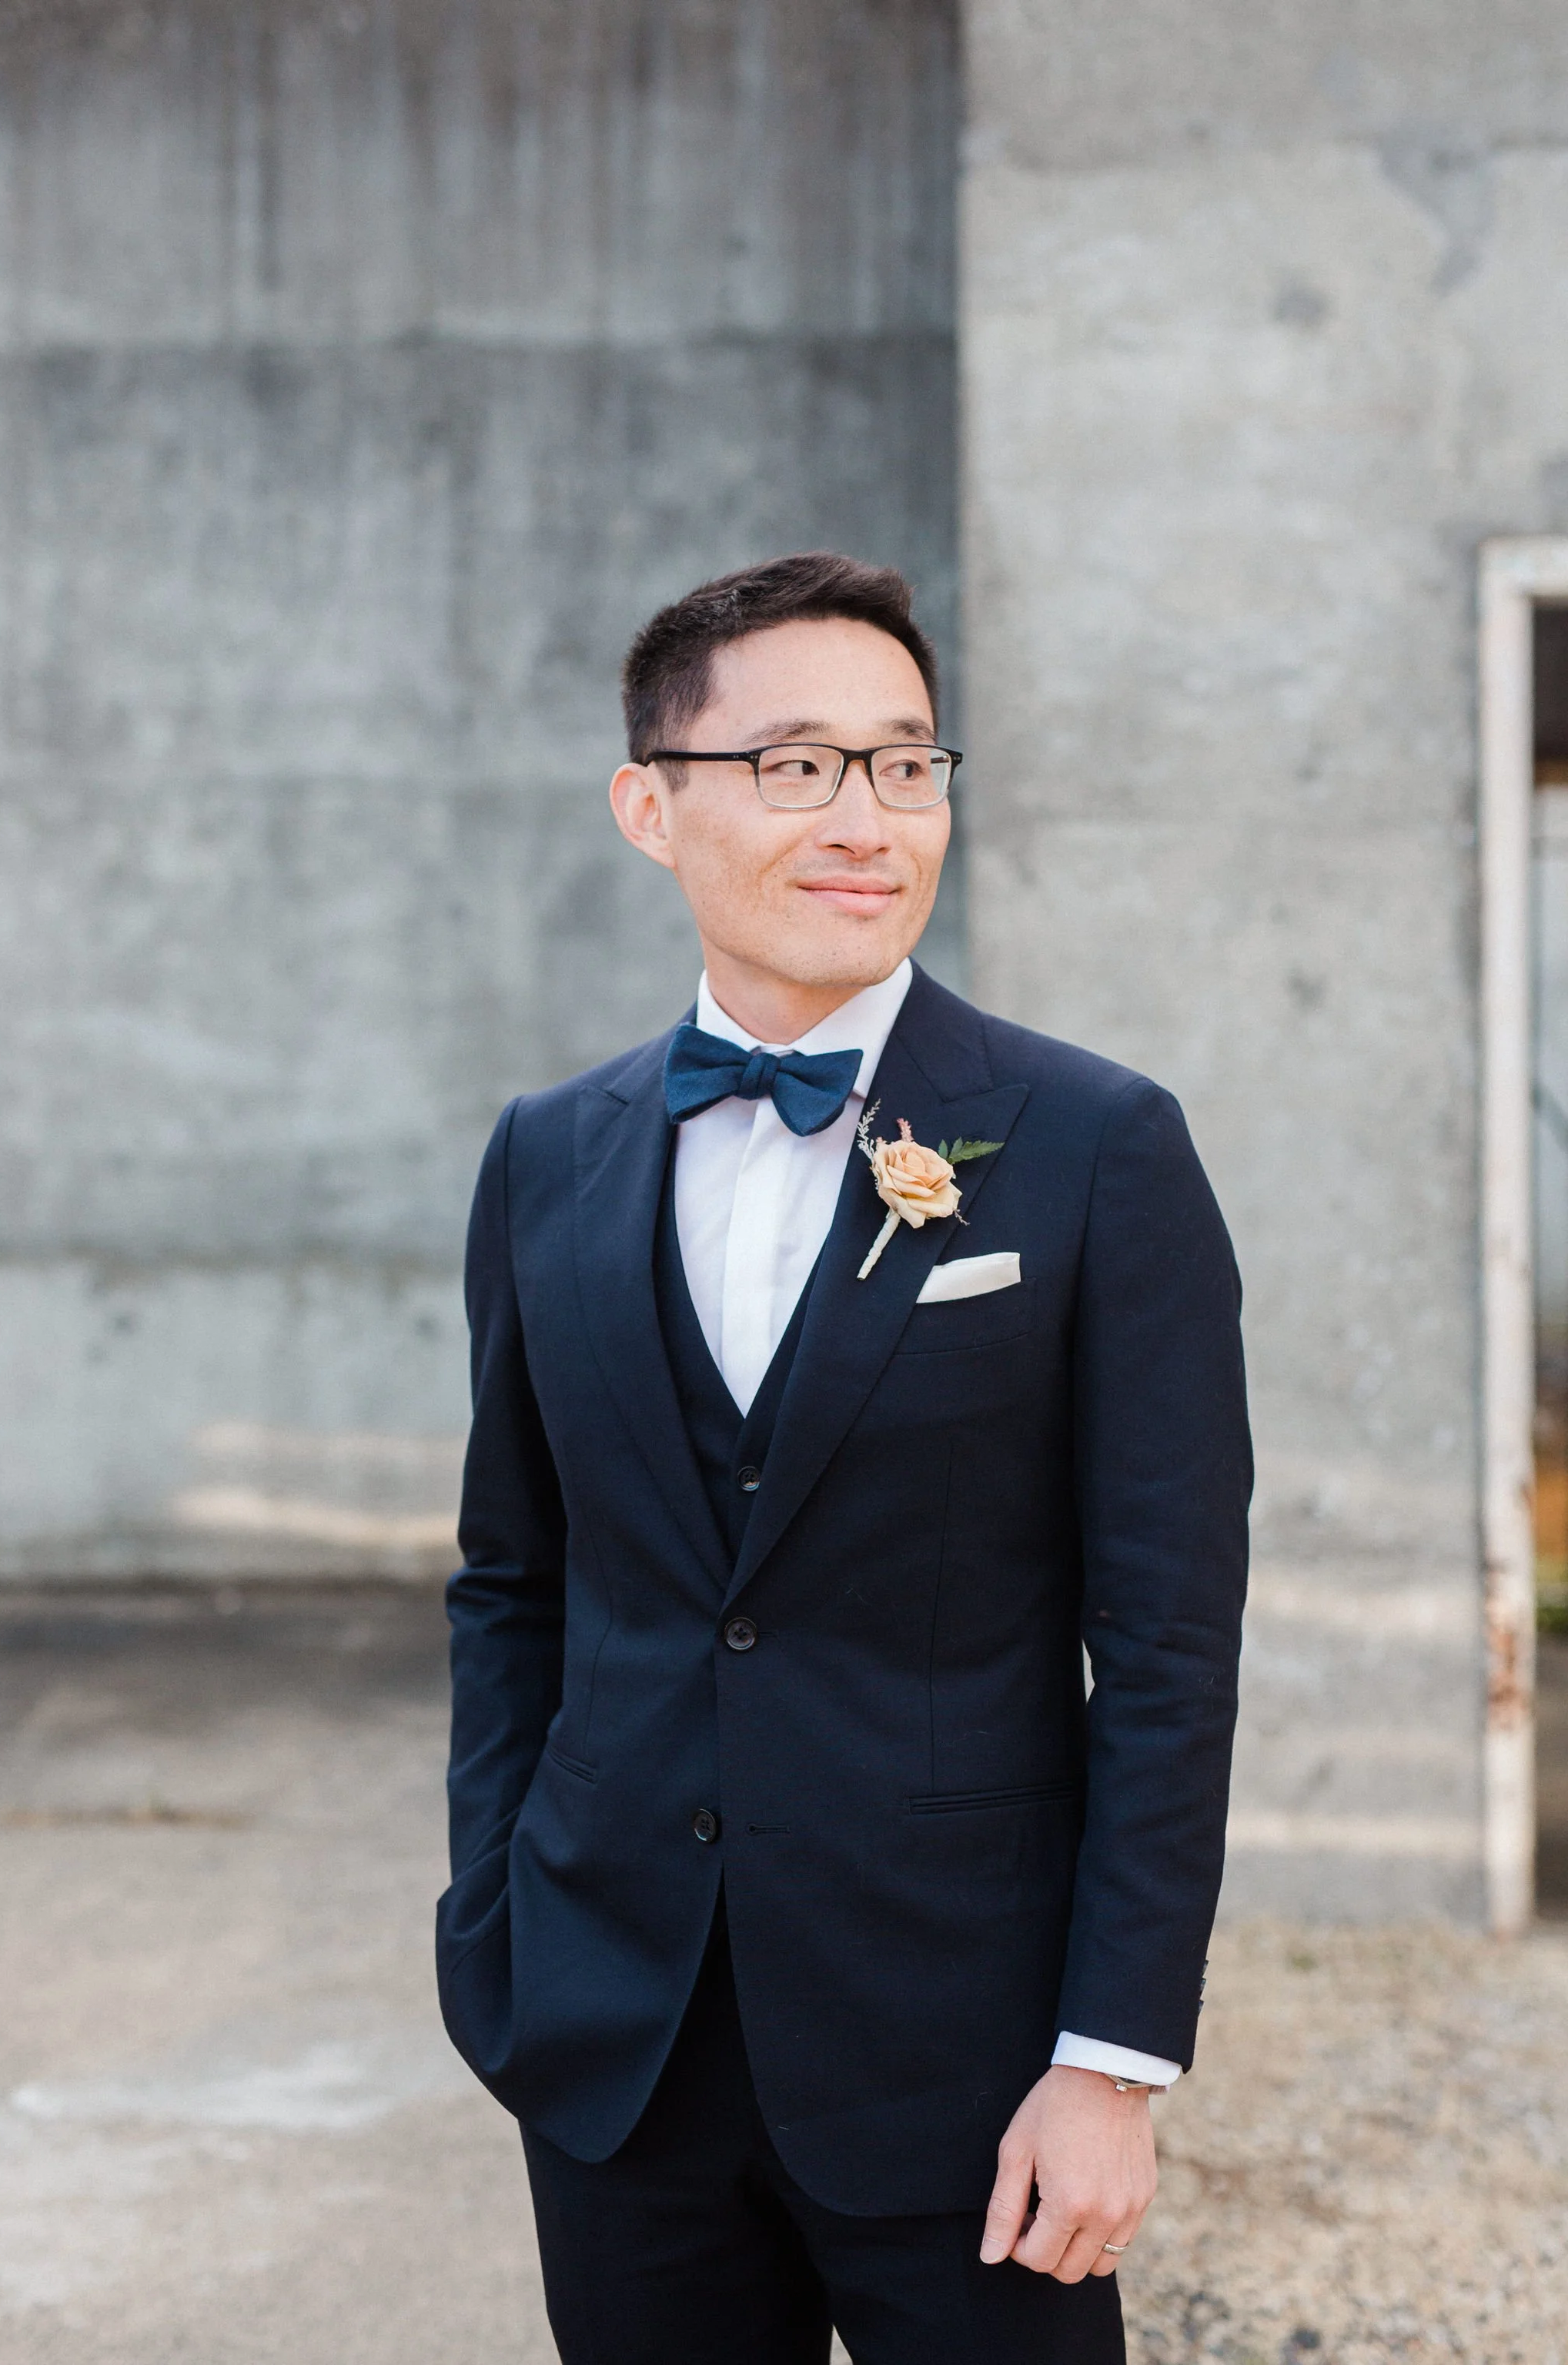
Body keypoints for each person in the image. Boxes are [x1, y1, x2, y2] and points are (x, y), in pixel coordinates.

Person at [436, 552, 1251, 2364]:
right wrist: (491, 1929)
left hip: (966, 2062)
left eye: (904, 763)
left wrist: (1109, 2063)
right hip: (613, 2041)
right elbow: (513, 1578)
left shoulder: (1095, 1146)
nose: (865, 816)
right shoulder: (544, 1153)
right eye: (796, 766)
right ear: (652, 807)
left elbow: (1172, 1647)